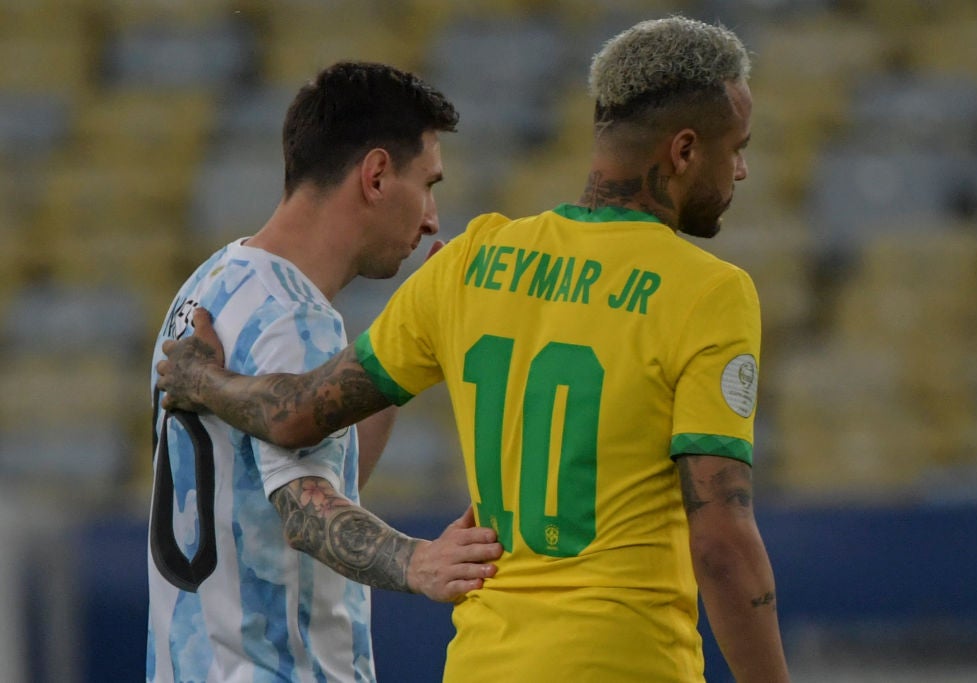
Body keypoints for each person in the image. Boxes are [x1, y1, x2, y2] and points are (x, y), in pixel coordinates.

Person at [157, 16, 790, 683]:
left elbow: (294, 412)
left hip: (482, 662)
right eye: (737, 147)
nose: (741, 169)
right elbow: (721, 545)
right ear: (684, 151)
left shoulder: (469, 263)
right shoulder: (709, 293)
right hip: (625, 660)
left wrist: (206, 380)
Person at [146, 61, 503, 683]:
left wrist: (407, 344)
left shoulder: (215, 283)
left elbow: (323, 472)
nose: (432, 220)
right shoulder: (294, 319)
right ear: (376, 175)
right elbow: (305, 514)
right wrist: (418, 561)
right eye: (428, 185)